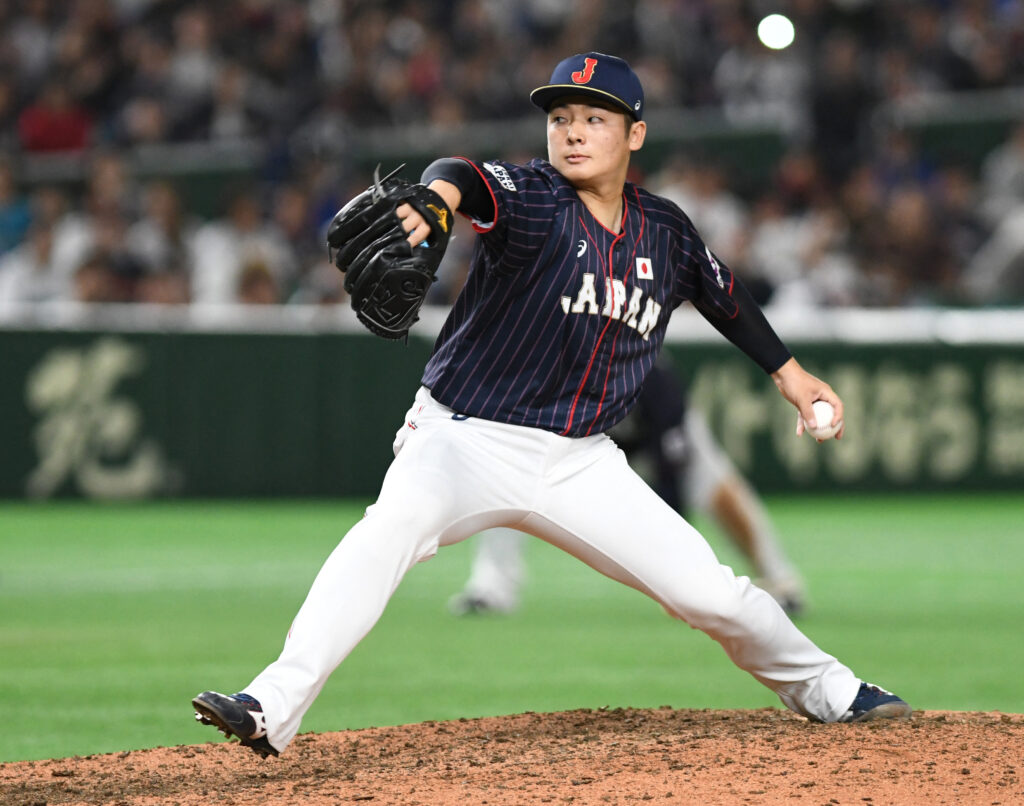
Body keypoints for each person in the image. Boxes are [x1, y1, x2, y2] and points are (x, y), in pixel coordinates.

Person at [193, 52, 911, 758]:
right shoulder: (533, 198)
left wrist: (788, 372)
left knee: (712, 595)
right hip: (462, 438)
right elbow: (465, 176)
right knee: (384, 537)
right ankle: (270, 705)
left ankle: (836, 693)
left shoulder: (665, 230)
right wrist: (438, 201)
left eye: (594, 119)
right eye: (561, 117)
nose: (571, 131)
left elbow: (724, 295)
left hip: (580, 463)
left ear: (635, 135)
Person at [449, 360, 807, 618]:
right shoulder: (556, 374)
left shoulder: (654, 381)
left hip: (653, 438)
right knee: (512, 479)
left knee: (720, 487)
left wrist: (677, 572)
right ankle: (491, 587)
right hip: (581, 441)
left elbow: (672, 475)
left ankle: (781, 581)